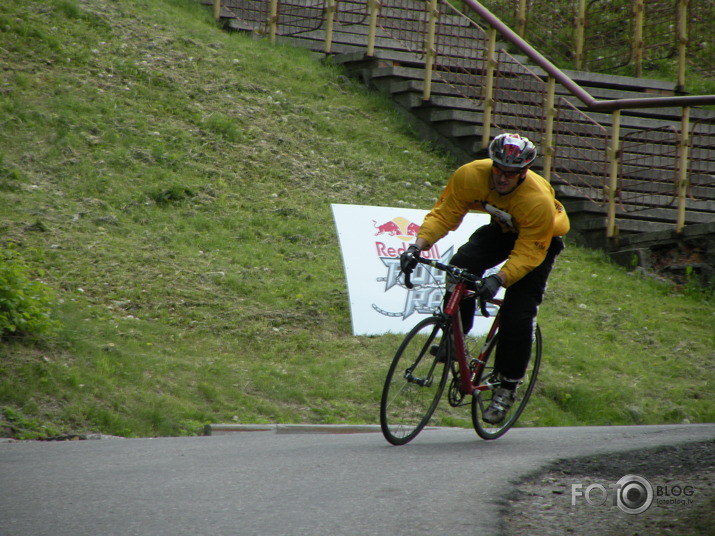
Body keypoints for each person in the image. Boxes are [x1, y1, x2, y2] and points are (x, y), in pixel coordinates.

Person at [399, 133, 570, 424]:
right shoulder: (470, 175)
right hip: (504, 226)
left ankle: (507, 385)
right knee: (460, 266)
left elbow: (529, 253)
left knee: (518, 312)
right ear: (491, 165)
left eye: (512, 173)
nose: (503, 178)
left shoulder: (536, 199)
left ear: (524, 172)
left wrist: (500, 279)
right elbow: (445, 214)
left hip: (540, 239)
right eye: (498, 170)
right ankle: (457, 339)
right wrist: (418, 245)